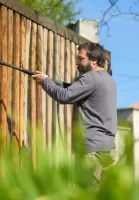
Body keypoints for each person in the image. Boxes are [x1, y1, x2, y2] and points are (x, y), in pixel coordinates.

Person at [32, 42, 117, 185]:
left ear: (94, 60)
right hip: (107, 148)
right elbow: (75, 89)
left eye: (81, 59)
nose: (77, 62)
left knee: (87, 193)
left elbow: (65, 96)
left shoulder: (90, 78)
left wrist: (46, 82)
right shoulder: (109, 80)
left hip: (91, 150)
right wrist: (52, 82)